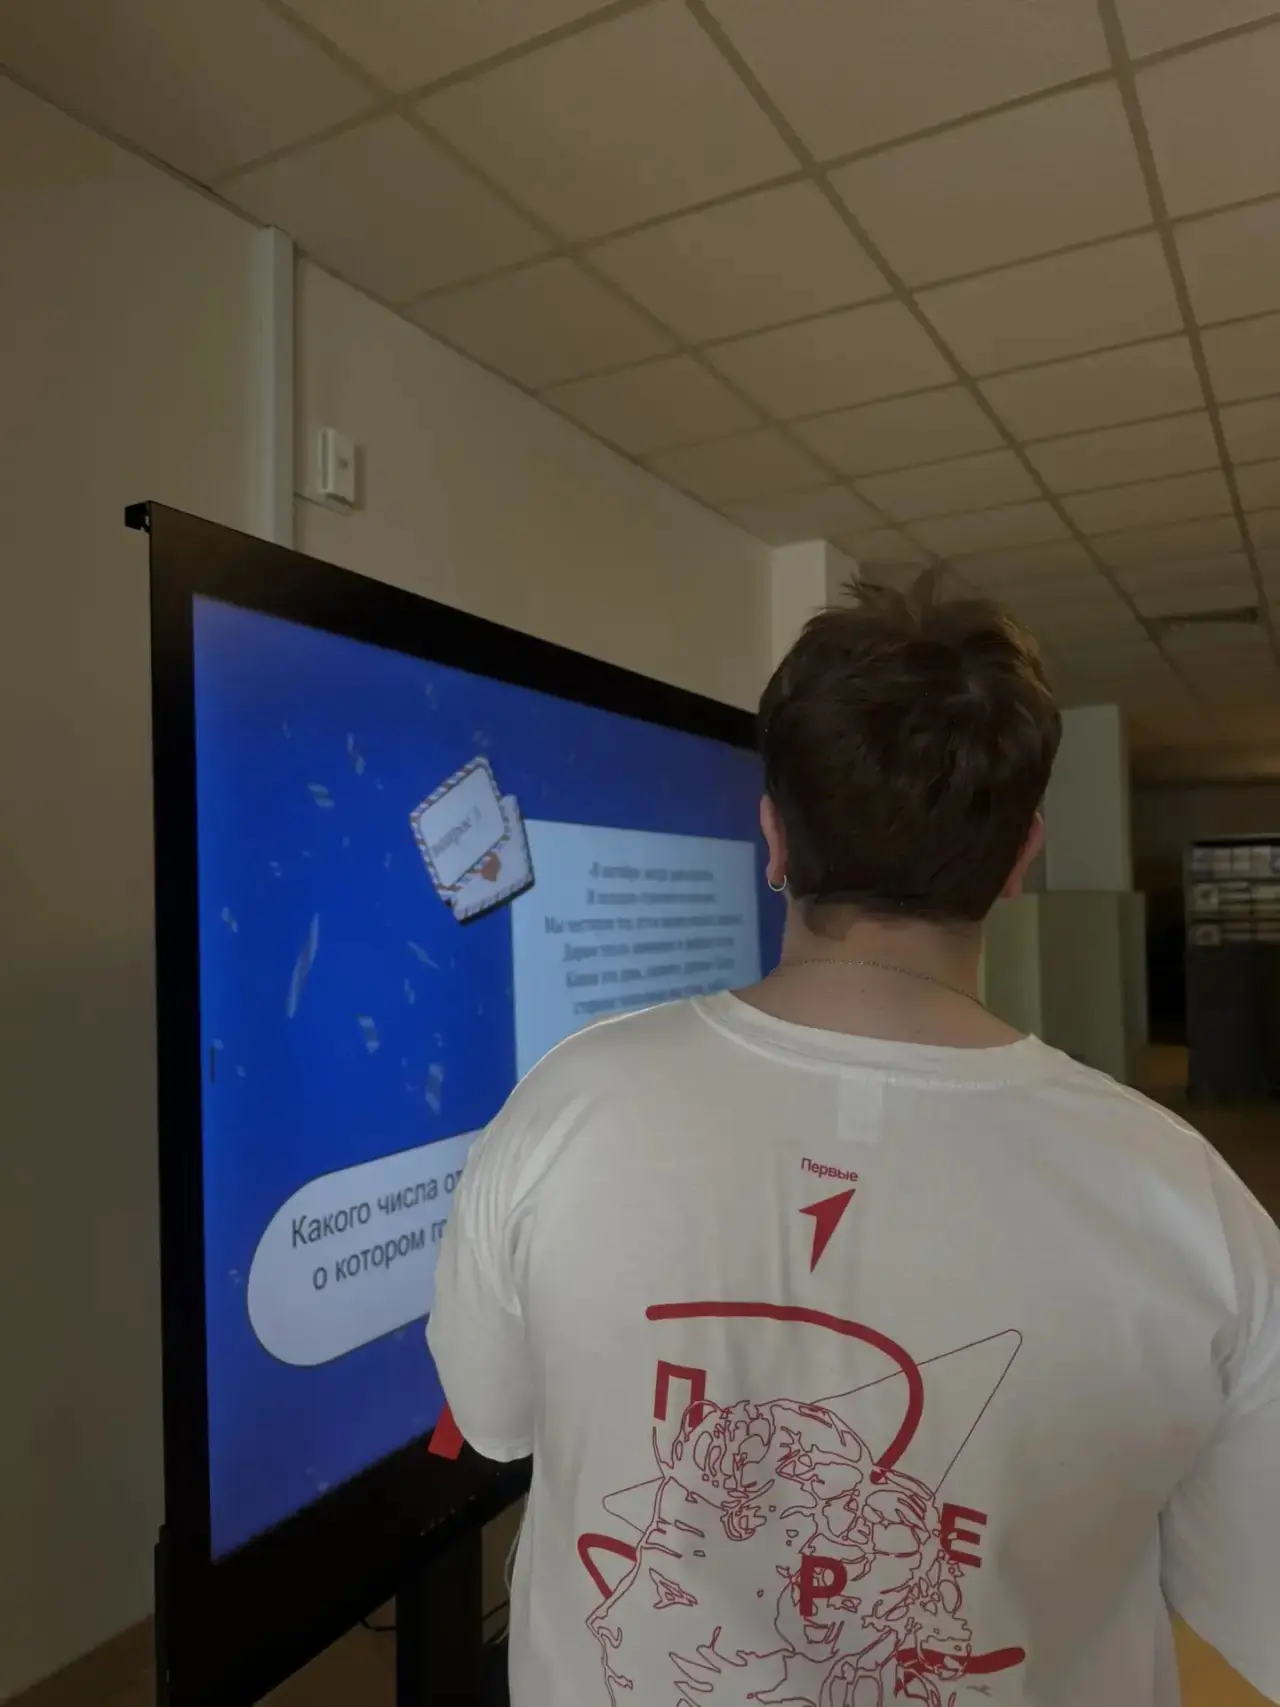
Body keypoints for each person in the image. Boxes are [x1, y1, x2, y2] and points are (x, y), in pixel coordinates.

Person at [428, 576, 1280, 1707]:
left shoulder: (559, 1106)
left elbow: (492, 1423)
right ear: (1018, 859)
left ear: (773, 837)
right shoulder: (1187, 1203)